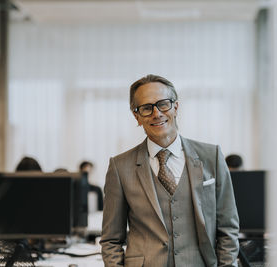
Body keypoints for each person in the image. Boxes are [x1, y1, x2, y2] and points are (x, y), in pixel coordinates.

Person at [100, 75, 239, 267]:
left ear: (176, 107)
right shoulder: (119, 166)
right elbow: (111, 240)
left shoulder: (211, 156)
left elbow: (228, 229)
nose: (156, 114)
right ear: (136, 116)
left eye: (163, 104)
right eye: (146, 108)